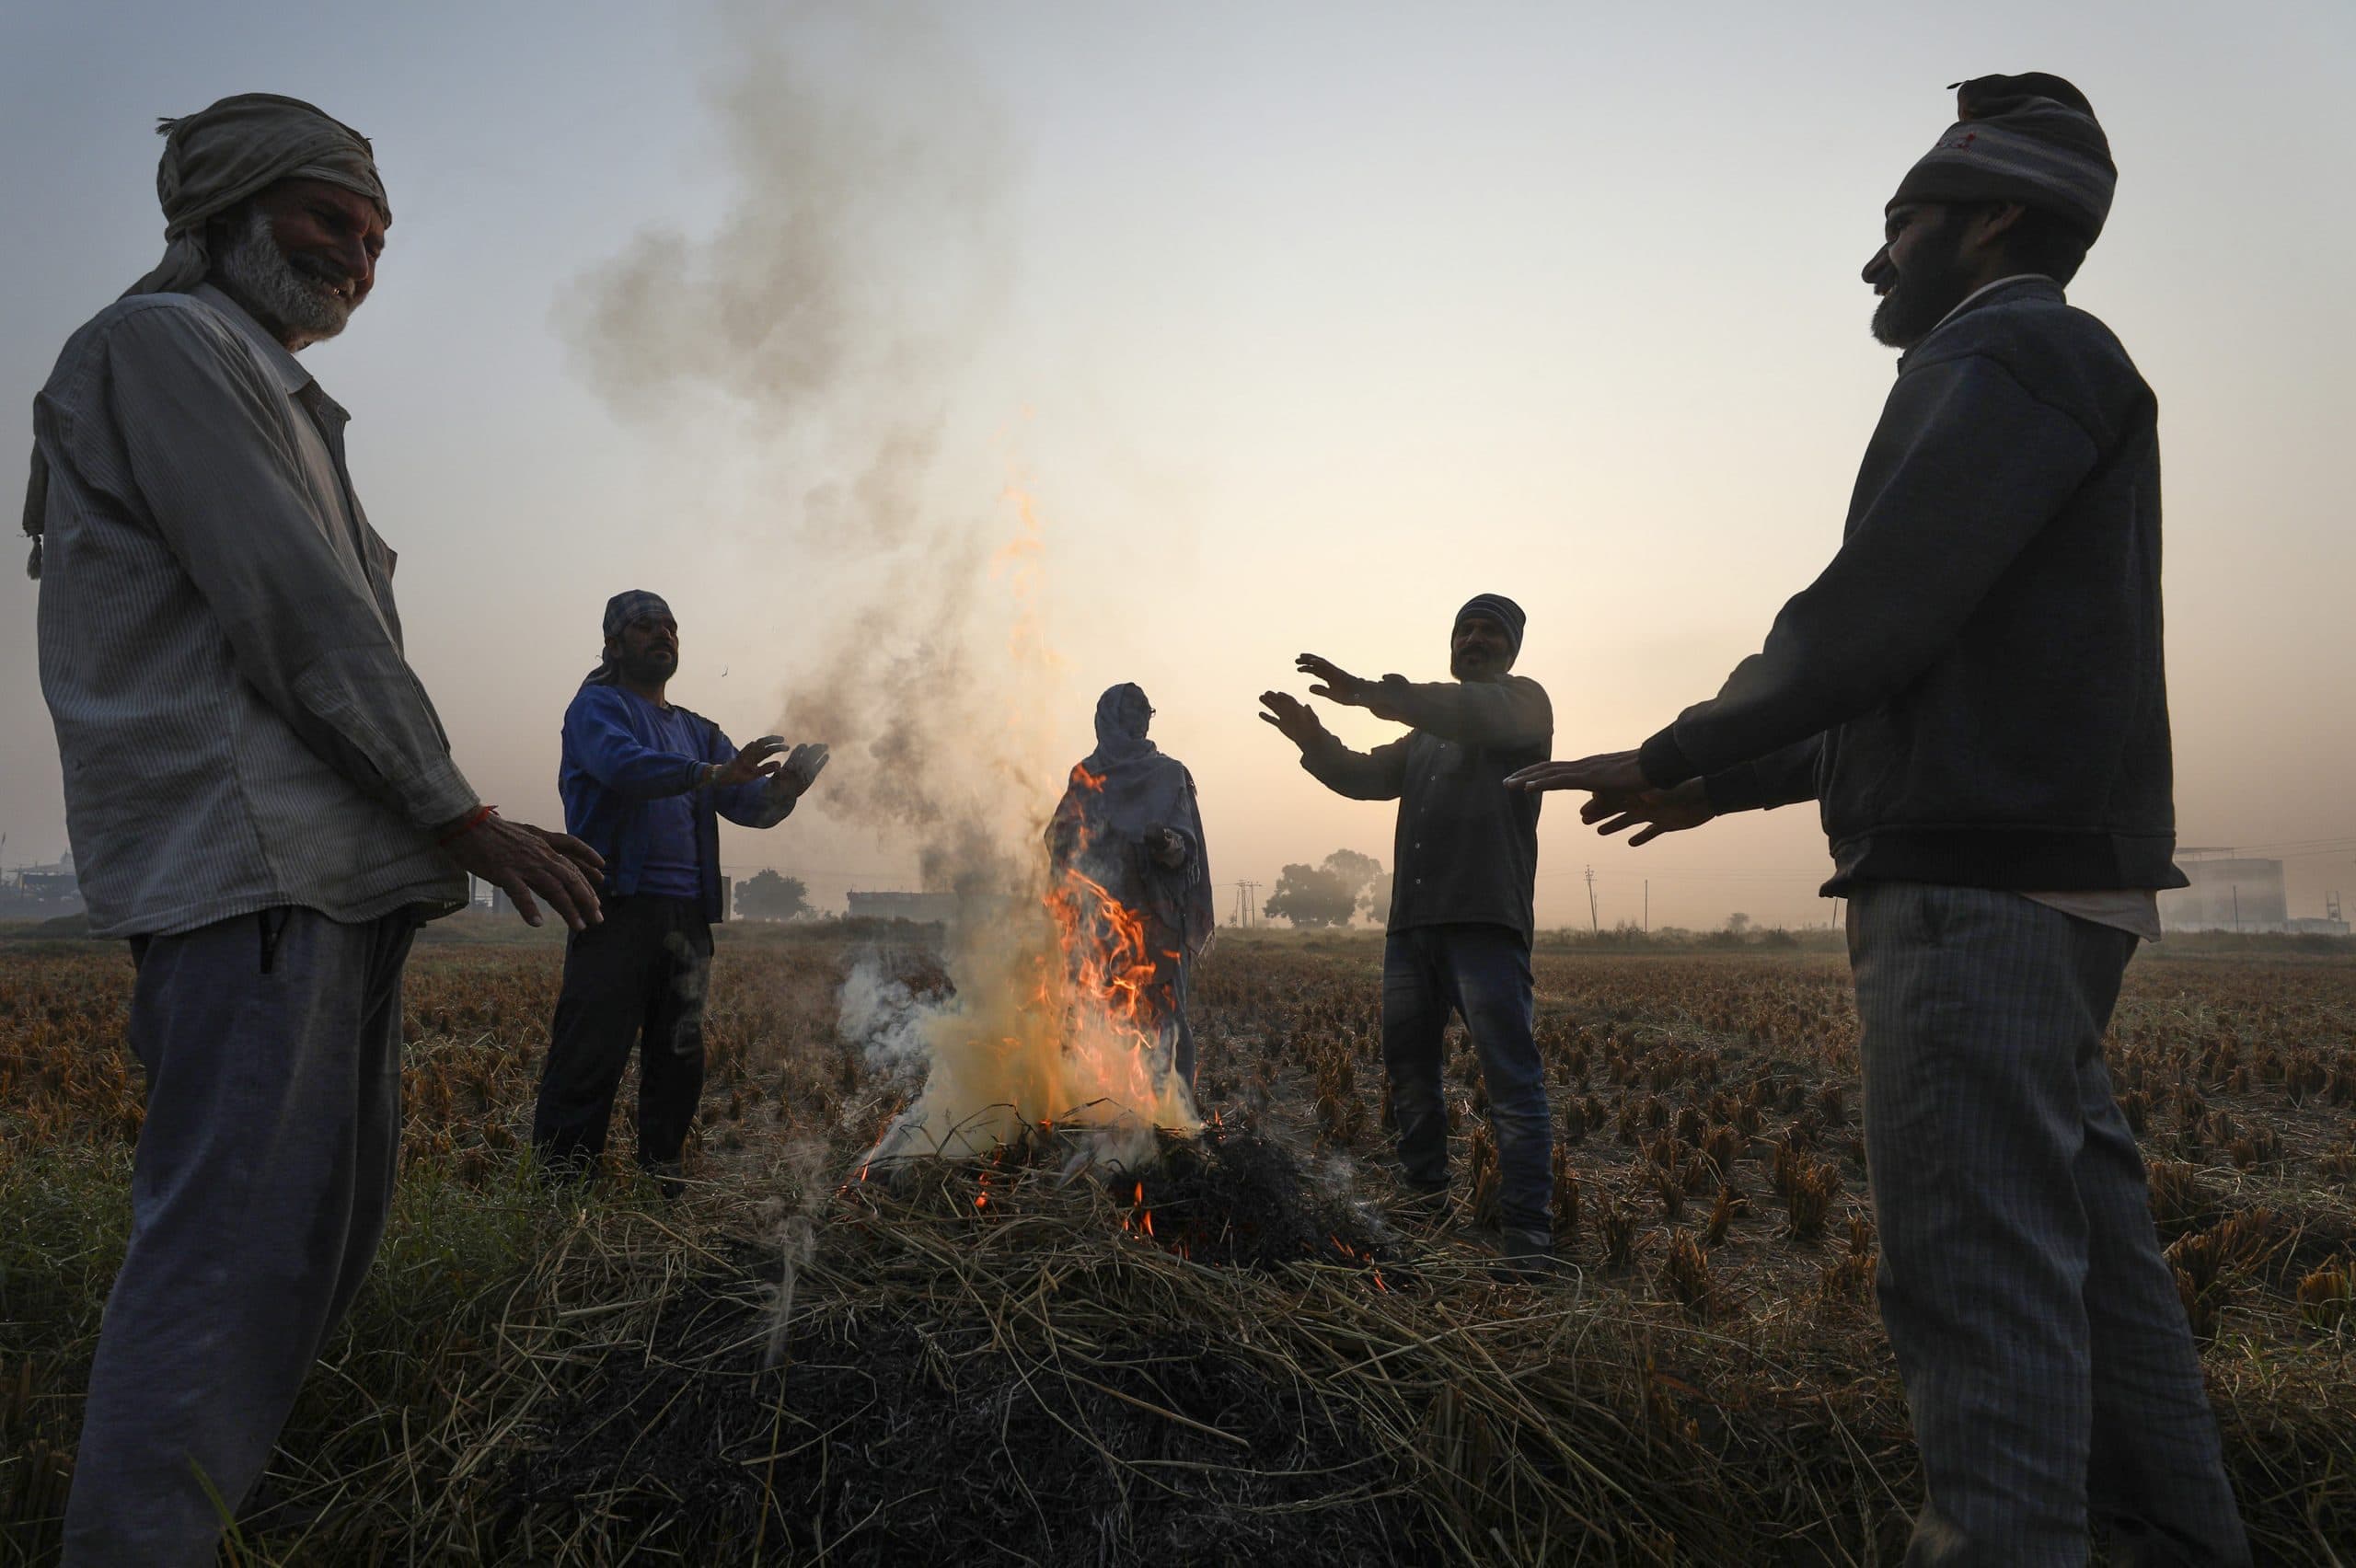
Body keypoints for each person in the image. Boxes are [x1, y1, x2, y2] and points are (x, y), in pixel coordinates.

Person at [1509, 75, 2248, 1566]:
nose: (1872, 259)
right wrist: (1714, 781)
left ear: (1988, 217)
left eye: (1898, 221)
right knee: (2095, 1271)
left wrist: (1686, 736)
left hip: (1979, 900)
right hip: (2042, 883)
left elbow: (1873, 616)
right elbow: (1922, 667)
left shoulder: (2015, 348)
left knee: (1978, 1295)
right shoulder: (2041, 363)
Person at [26, 94, 604, 1565]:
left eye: (375, 235)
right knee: (228, 1262)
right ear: (221, 209)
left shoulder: (262, 382)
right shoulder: (164, 348)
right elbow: (301, 614)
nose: (358, 255)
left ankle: (186, 1527)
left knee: (301, 1251)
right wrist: (460, 813)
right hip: (251, 870)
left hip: (316, 881)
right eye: (326, 218)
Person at [1259, 595, 1555, 1273]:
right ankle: (1425, 1203)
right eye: (1465, 630)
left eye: (1490, 632)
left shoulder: (1522, 708)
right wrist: (1313, 739)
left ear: (1511, 651)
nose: (1474, 639)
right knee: (1411, 1074)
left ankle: (1528, 1238)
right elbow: (1364, 777)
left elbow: (1464, 710)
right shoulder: (1426, 737)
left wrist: (1368, 691)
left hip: (1485, 924)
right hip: (1411, 931)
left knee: (1511, 1083)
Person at [531, 591, 827, 1187]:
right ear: (614, 645)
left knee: (680, 1057)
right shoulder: (597, 709)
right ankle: (561, 1198)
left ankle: (662, 1187)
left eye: (670, 626)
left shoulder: (697, 730)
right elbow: (625, 766)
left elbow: (745, 803)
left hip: (687, 916)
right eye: (645, 626)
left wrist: (787, 789)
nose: (662, 634)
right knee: (591, 1054)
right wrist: (709, 773)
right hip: (615, 906)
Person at [1045, 683, 1215, 1088]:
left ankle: (1175, 1124)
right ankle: (1099, 1109)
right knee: (1093, 1018)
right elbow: (1059, 839)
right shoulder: (1085, 777)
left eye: (1141, 715)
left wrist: (1164, 843)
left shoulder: (1168, 775)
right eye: (1129, 716)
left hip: (1156, 922)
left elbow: (1183, 853)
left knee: (1166, 1026)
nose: (1134, 724)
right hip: (1098, 928)